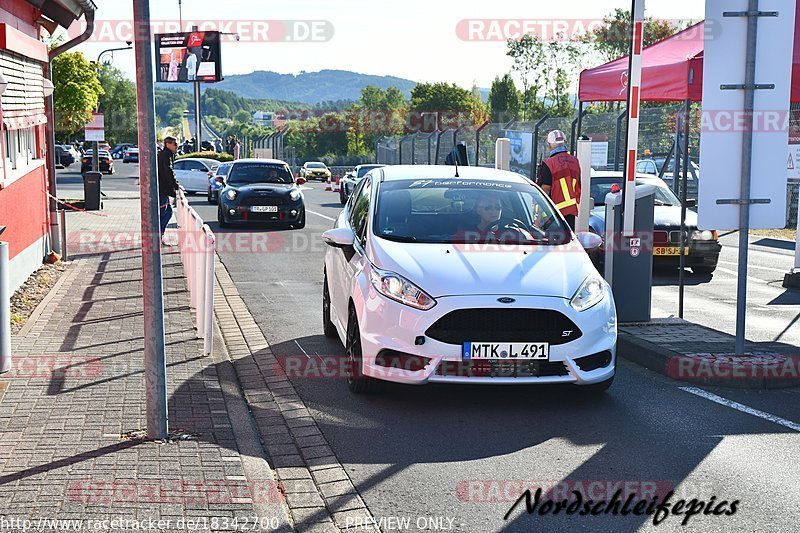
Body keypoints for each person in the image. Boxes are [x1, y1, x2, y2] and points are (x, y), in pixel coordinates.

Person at [536, 129, 581, 230]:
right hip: (570, 213)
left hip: (553, 215)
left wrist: (539, 217)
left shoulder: (549, 163)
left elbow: (545, 191)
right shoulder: (575, 161)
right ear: (564, 142)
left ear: (550, 144)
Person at [157, 136, 179, 245]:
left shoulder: (166, 154)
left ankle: (159, 236)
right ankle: (158, 237)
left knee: (168, 212)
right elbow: (168, 171)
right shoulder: (166, 155)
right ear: (168, 144)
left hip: (162, 189)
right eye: (175, 144)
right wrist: (176, 186)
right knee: (163, 213)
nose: (177, 146)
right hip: (162, 190)